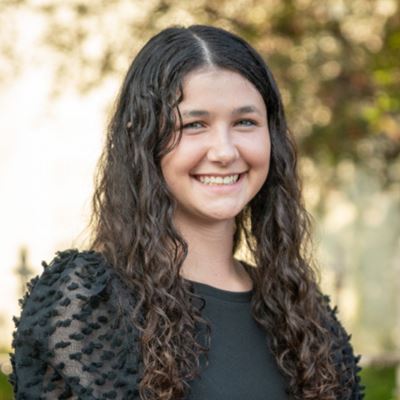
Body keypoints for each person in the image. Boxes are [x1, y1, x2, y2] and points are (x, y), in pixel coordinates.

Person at [9, 25, 364, 400]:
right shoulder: (89, 302)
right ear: (143, 140)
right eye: (194, 125)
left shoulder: (308, 318)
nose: (224, 151)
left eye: (245, 122)